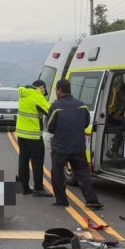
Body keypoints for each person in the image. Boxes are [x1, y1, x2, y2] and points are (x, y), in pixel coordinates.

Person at [46, 79, 102, 209]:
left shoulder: (56, 106)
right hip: (78, 146)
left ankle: (61, 200)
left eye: (56, 90)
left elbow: (49, 127)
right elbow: (86, 123)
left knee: (57, 173)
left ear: (59, 90)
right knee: (83, 173)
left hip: (61, 147)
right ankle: (92, 200)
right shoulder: (82, 105)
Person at [15, 79, 51, 197]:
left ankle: (24, 187)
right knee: (37, 161)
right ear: (41, 87)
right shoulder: (36, 95)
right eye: (44, 89)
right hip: (33, 135)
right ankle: (38, 188)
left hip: (21, 134)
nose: (44, 92)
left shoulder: (24, 94)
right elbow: (49, 110)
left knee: (23, 160)